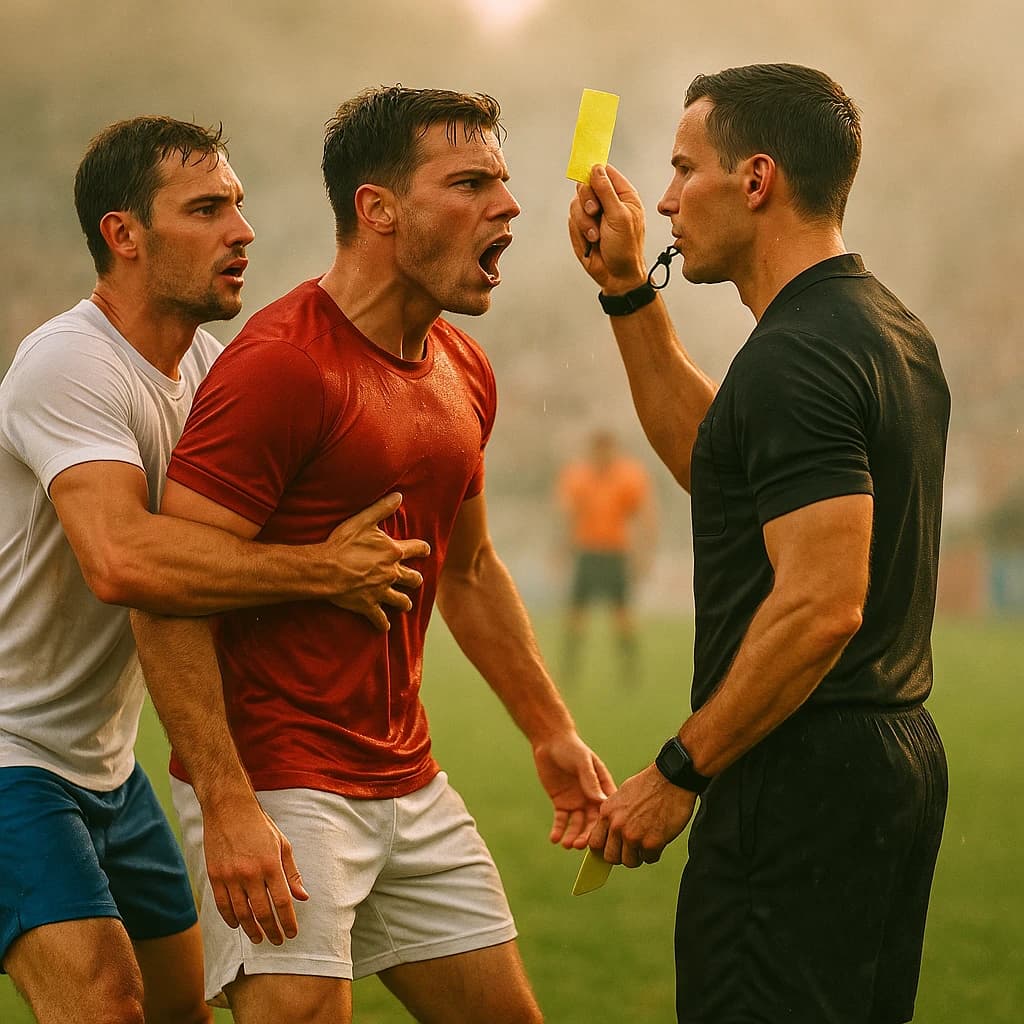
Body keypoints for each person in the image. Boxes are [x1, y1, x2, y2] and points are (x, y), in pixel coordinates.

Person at [130, 87, 615, 1024]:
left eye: (504, 183)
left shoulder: (462, 365)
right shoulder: (280, 364)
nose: (507, 206)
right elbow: (165, 588)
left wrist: (549, 731)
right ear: (378, 208)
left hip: (409, 779)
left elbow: (466, 571)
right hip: (279, 784)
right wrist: (228, 804)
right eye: (470, 183)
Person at [0, 116, 429, 1024]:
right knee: (105, 1003)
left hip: (110, 768)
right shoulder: (69, 362)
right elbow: (122, 560)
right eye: (206, 208)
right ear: (124, 235)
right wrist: (321, 571)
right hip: (10, 754)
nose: (243, 230)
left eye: (237, 204)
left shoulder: (209, 366)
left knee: (178, 1010)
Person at [568, 63, 950, 1024]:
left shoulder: (797, 356)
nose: (662, 200)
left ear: (757, 179)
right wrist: (627, 291)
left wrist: (679, 770)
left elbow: (824, 601)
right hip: (885, 760)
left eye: (683, 166)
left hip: (800, 772)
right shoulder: (881, 328)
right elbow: (722, 466)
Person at [555, 429, 656, 680]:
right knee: (576, 613)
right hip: (587, 551)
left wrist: (643, 552)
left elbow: (643, 516)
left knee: (622, 614)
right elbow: (566, 515)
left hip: (615, 552)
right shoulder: (578, 476)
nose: (602, 454)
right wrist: (562, 548)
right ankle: (569, 668)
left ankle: (629, 669)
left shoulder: (628, 476)